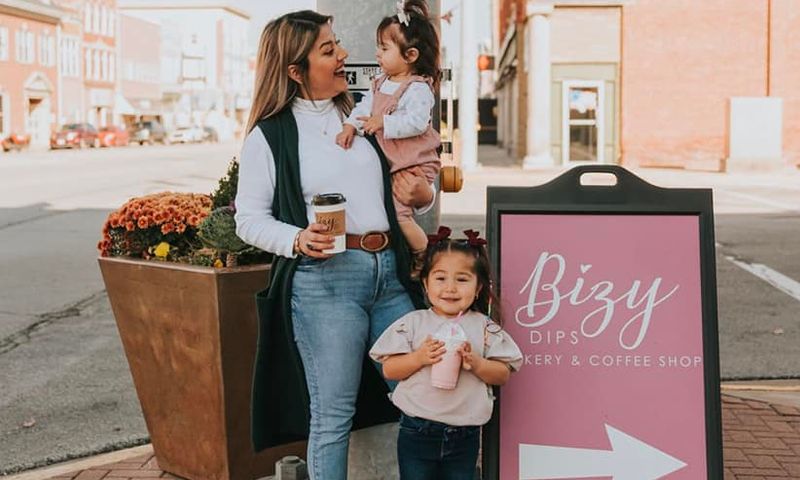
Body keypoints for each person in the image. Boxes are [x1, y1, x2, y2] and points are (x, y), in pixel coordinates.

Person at [234, 10, 436, 480]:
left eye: (337, 43)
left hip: (389, 270)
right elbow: (249, 219)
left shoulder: (364, 111)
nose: (344, 55)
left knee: (427, 392)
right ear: (294, 70)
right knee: (333, 414)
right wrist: (297, 238)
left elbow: (409, 182)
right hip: (327, 282)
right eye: (329, 50)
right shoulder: (272, 136)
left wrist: (422, 196)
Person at [370, 227, 523, 479]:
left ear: (478, 287)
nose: (450, 288)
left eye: (462, 279)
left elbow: (502, 374)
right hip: (416, 429)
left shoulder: (484, 327)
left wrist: (476, 363)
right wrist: (419, 358)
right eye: (440, 278)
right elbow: (389, 369)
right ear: (426, 284)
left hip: (465, 433)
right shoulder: (413, 323)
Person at [336, 0, 441, 275]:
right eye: (378, 47)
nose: (377, 54)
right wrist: (350, 126)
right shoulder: (380, 82)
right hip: (397, 162)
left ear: (411, 55)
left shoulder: (418, 88)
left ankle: (423, 255)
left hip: (415, 162)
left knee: (400, 214)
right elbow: (362, 108)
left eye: (384, 48)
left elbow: (417, 123)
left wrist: (384, 122)